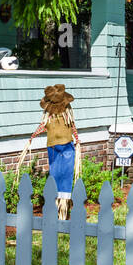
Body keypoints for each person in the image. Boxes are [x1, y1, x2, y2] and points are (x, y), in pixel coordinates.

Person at [21, 84, 82, 219]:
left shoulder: (52, 115)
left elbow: (45, 126)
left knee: (59, 176)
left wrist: (32, 137)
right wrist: (32, 138)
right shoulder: (64, 113)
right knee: (62, 176)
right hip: (60, 147)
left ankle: (62, 210)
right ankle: (61, 209)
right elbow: (72, 126)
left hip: (58, 147)